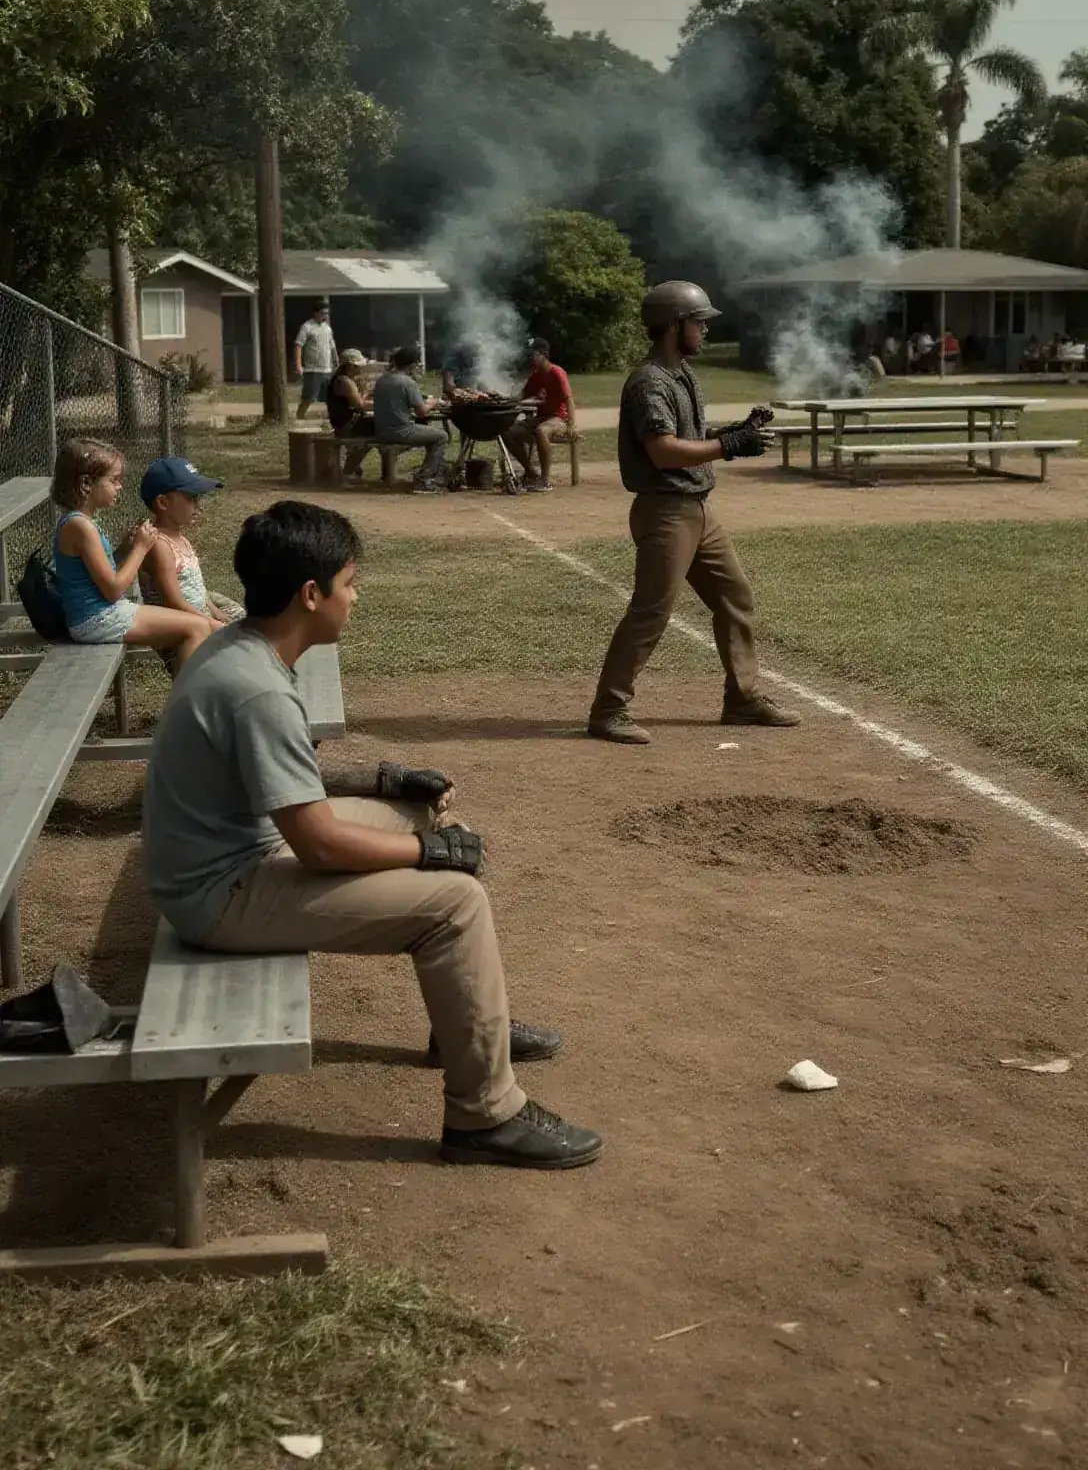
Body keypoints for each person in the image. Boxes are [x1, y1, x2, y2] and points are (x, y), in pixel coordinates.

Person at [141, 500, 603, 1170]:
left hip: (233, 859)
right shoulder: (257, 688)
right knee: (454, 902)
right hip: (219, 895)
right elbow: (318, 845)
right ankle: (484, 1116)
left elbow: (281, 775)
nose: (356, 597)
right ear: (310, 594)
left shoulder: (243, 646)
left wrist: (381, 780)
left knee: (429, 821)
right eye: (350, 583)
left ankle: (465, 1031)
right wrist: (427, 855)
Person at [586, 282, 800, 745]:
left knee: (735, 597)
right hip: (666, 511)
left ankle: (742, 699)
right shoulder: (649, 383)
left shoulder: (684, 376)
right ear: (674, 326)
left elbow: (691, 435)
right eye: (699, 322)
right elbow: (663, 451)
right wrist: (728, 446)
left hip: (698, 509)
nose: (705, 330)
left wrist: (737, 432)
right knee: (652, 612)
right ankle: (608, 710)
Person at [51, 438, 215, 666]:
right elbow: (113, 589)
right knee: (198, 626)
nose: (120, 487)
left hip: (101, 615)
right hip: (97, 620)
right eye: (114, 480)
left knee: (198, 626)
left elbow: (103, 576)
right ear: (87, 484)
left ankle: (188, 692)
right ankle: (184, 698)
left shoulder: (82, 522)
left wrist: (125, 550)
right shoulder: (80, 526)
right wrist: (140, 548)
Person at [137, 457, 245, 674]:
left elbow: (195, 585)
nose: (198, 506)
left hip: (198, 616)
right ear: (163, 503)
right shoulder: (159, 545)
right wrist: (210, 623)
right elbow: (173, 602)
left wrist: (214, 611)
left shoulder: (180, 538)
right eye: (191, 498)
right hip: (180, 634)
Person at [502, 338, 577, 493]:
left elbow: (569, 400)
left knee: (542, 431)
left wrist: (571, 424)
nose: (530, 359)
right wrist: (506, 399)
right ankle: (530, 472)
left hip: (558, 418)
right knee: (507, 432)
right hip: (541, 418)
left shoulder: (557, 372)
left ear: (544, 354)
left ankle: (545, 480)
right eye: (528, 355)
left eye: (533, 355)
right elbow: (522, 397)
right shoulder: (535, 376)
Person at [372, 344, 447, 492]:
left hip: (381, 430)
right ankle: (425, 479)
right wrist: (434, 402)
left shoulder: (382, 379)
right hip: (401, 431)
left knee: (433, 434)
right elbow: (422, 413)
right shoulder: (407, 382)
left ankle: (432, 473)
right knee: (442, 436)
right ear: (412, 365)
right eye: (417, 364)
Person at [326, 349, 374, 478]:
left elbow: (358, 400)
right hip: (346, 424)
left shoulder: (349, 380)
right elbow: (360, 405)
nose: (362, 368)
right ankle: (348, 471)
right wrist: (385, 405)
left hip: (350, 421)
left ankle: (352, 469)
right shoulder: (344, 381)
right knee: (378, 432)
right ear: (351, 366)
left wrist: (367, 392)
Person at [293, 301, 338, 421]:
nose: (326, 316)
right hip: (313, 369)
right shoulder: (307, 327)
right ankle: (299, 418)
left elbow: (331, 345)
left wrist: (335, 359)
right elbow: (298, 345)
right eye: (323, 313)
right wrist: (298, 364)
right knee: (309, 397)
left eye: (327, 314)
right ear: (316, 313)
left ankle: (331, 419)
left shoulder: (327, 328)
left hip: (327, 369)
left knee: (329, 397)